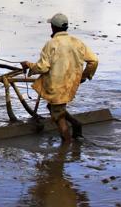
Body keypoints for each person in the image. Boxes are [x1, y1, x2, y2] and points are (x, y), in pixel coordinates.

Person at [21, 13, 99, 144]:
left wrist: (29, 65)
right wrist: (83, 76)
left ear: (52, 27)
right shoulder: (77, 42)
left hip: (56, 85)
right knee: (55, 108)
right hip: (70, 83)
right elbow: (94, 61)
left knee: (58, 116)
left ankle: (65, 147)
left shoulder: (51, 44)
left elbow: (43, 68)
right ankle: (76, 125)